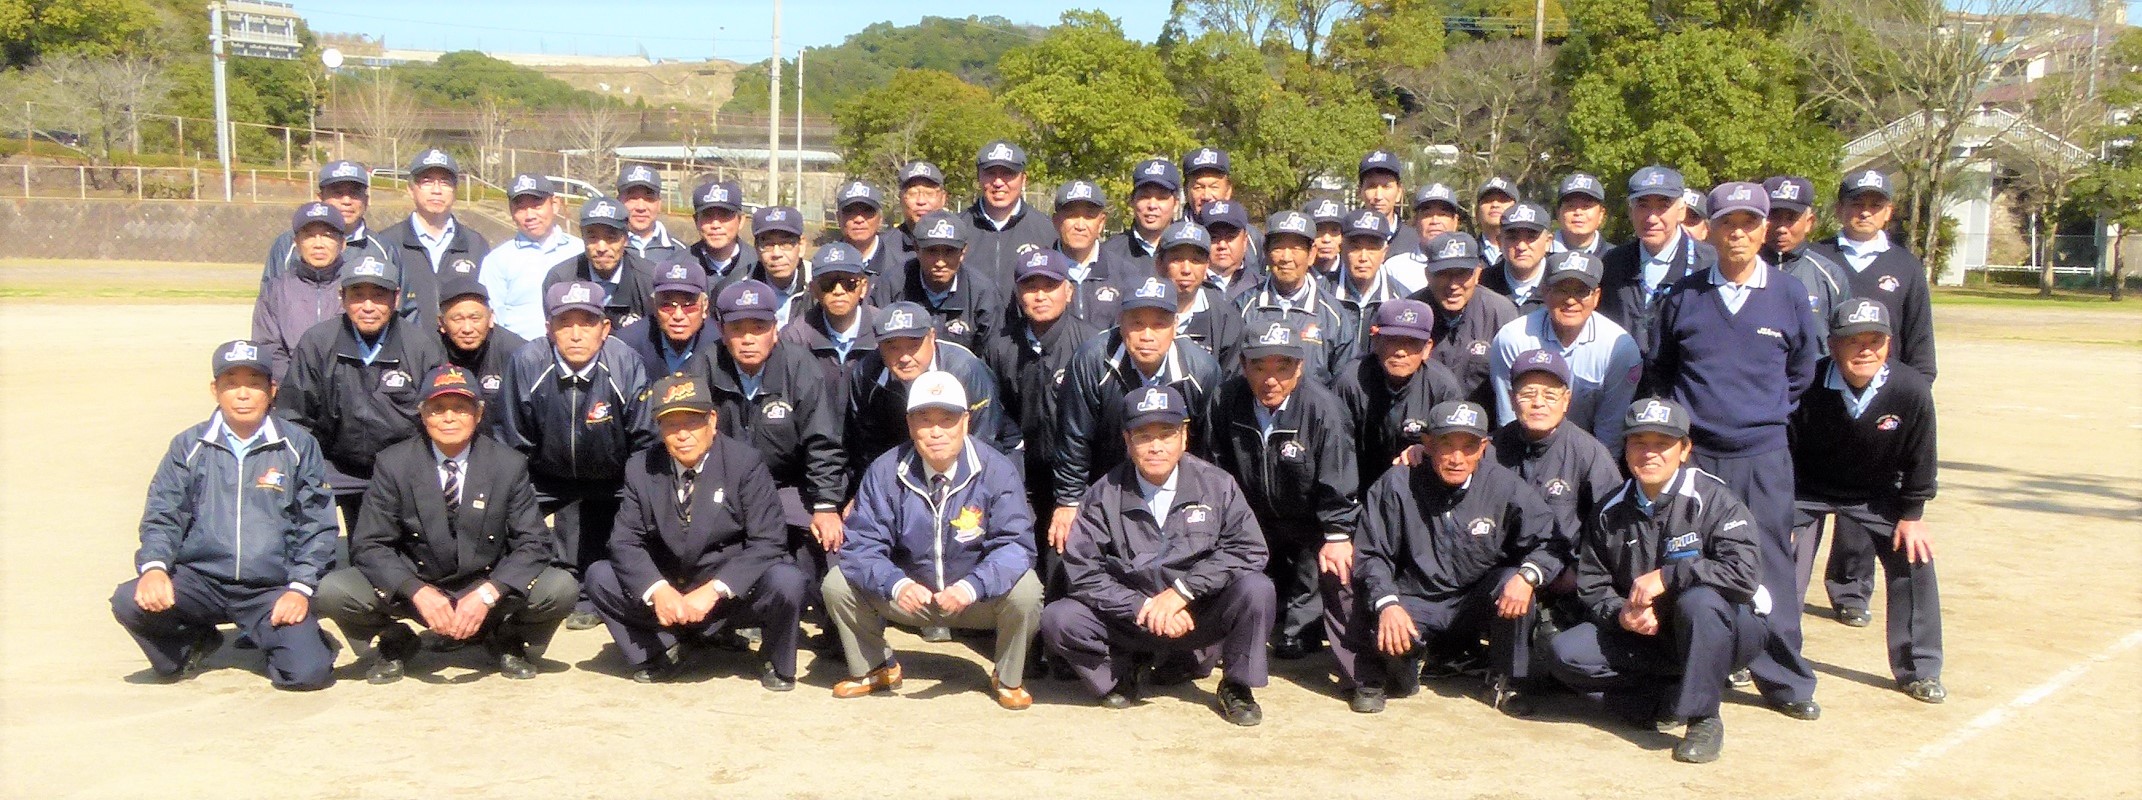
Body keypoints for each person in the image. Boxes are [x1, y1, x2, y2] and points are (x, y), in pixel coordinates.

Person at [1643, 182, 1823, 721]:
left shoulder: (1789, 294)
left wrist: (1756, 415)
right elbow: (1662, 370)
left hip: (1762, 453)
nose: (1738, 233)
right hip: (1696, 457)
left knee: (1769, 563)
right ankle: (1692, 668)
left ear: (1766, 229)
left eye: (1749, 223)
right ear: (1711, 229)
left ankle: (1784, 677)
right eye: (1727, 223)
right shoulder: (1684, 294)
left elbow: (1801, 372)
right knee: (1684, 558)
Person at [317, 365, 577, 683]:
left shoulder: (507, 464)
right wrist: (416, 591)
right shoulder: (394, 463)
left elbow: (534, 542)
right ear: (423, 415)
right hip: (416, 583)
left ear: (479, 414)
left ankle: (506, 637)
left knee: (560, 587)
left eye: (460, 408)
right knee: (333, 590)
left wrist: (489, 593)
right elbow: (369, 543)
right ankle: (395, 639)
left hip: (485, 582)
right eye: (438, 409)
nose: (449, 418)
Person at [1547, 398, 1767, 764]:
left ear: (1684, 450)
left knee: (1698, 602)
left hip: (1728, 631)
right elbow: (1593, 585)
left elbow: (1744, 574)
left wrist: (1669, 576)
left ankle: (1703, 719)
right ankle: (1665, 697)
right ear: (1625, 448)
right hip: (1649, 636)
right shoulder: (1607, 510)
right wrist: (1621, 615)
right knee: (1564, 653)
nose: (1649, 453)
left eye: (1662, 444)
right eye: (1639, 443)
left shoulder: (1715, 499)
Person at [1042, 386, 1275, 726]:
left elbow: (1249, 549)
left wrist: (1183, 592)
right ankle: (1120, 675)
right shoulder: (1103, 495)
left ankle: (1237, 685)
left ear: (1184, 436)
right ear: (1127, 440)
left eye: (1166, 435)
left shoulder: (1217, 485)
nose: (1155, 446)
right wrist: (1142, 607)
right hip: (1130, 618)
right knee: (1059, 618)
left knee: (1257, 589)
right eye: (1143, 436)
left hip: (1195, 614)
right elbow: (1084, 574)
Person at [110, 341, 337, 691]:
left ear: (271, 390)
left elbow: (317, 525)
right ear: (215, 390)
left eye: (254, 383)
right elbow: (163, 514)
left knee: (307, 673)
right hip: (201, 580)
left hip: (269, 587)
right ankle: (194, 641)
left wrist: (299, 588)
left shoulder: (298, 445)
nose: (243, 394)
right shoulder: (189, 445)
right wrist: (154, 567)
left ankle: (285, 639)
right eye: (231, 383)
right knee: (130, 600)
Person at [824, 371, 1044, 710]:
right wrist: (897, 585)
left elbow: (1016, 547)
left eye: (947, 419)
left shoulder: (997, 470)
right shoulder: (884, 471)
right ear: (910, 425)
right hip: (913, 596)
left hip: (975, 598)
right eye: (925, 421)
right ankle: (875, 667)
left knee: (1027, 590)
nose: (937, 431)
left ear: (966, 422)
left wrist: (971, 587)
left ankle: (1007, 676)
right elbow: (861, 547)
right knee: (838, 583)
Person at [583, 374, 807, 688]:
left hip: (729, 593)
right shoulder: (640, 467)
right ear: (659, 429)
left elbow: (768, 541)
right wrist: (657, 589)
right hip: (671, 586)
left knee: (786, 579)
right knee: (600, 576)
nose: (683, 434)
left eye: (693, 422)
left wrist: (716, 588)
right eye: (672, 425)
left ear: (712, 420)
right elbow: (624, 540)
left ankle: (774, 661)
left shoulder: (745, 463)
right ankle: (661, 650)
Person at [1349, 400, 1558, 715]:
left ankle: (1506, 680)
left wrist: (1530, 574)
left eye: (1469, 447)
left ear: (1484, 448)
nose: (1458, 459)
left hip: (1476, 601)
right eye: (1447, 446)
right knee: (1388, 647)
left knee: (1514, 582)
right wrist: (1387, 603)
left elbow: (1549, 539)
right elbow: (1372, 553)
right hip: (1416, 599)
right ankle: (1403, 668)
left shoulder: (1505, 486)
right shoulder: (1396, 484)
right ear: (1428, 444)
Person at [1788, 298, 1944, 703]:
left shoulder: (1910, 389)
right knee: (1771, 555)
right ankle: (1763, 655)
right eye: (1853, 341)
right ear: (1833, 344)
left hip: (1878, 496)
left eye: (1875, 340)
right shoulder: (1807, 384)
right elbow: (1784, 450)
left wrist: (1912, 514)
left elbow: (1921, 458)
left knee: (1916, 557)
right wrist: (1779, 514)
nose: (1865, 350)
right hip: (1808, 491)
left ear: (1888, 344)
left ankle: (1918, 668)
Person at [688, 280, 847, 636]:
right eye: (737, 329)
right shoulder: (705, 364)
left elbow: (822, 442)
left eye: (758, 328)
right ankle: (726, 621)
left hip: (789, 485)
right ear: (721, 330)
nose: (748, 339)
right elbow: (688, 439)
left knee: (828, 538)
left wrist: (825, 504)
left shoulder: (800, 365)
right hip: (724, 486)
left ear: (775, 329)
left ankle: (833, 627)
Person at [496, 280, 655, 629]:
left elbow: (643, 441)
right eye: (565, 323)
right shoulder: (526, 362)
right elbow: (512, 440)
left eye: (587, 322)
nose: (576, 333)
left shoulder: (627, 364)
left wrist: (634, 493)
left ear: (605, 328)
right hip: (545, 475)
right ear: (548, 329)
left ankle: (597, 596)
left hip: (611, 476)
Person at [1204, 324, 1361, 665]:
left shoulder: (1325, 409)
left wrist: (1336, 532)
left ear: (1300, 367)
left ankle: (1308, 635)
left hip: (1308, 518)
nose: (1270, 380)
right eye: (1259, 367)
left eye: (1282, 368)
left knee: (1329, 565)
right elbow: (1213, 468)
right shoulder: (1225, 399)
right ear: (1243, 366)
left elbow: (1338, 477)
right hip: (1250, 516)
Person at [1050, 275, 1224, 548]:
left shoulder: (1201, 370)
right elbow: (1074, 437)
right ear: (1121, 323)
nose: (1147, 336)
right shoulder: (1091, 360)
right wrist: (1069, 501)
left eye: (1159, 325)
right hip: (1105, 484)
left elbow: (1210, 448)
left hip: (1177, 489)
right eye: (1137, 323)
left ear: (1175, 325)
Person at [276, 255, 446, 523]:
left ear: (396, 298)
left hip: (402, 470)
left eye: (379, 296)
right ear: (342, 297)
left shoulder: (422, 347)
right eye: (358, 296)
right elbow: (295, 415)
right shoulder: (318, 342)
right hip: (335, 467)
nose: (368, 306)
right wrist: (307, 470)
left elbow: (437, 418)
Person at [982, 249, 1104, 590]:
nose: (1039, 295)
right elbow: (993, 414)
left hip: (1080, 473)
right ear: (1018, 294)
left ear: (1069, 290)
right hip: (1022, 472)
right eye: (1030, 286)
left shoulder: (1093, 344)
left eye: (1049, 286)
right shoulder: (1000, 345)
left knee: (1064, 555)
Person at [1488, 350, 1622, 626]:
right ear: (1513, 400)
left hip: (1564, 578)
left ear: (1566, 401)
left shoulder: (1589, 453)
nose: (1538, 403)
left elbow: (1614, 527)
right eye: (1527, 394)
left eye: (1550, 395)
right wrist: (1418, 452)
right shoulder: (1492, 448)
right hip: (1503, 572)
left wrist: (1579, 571)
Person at [842, 301, 1018, 486]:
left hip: (987, 458)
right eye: (892, 347)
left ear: (932, 336)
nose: (904, 357)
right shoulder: (866, 373)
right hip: (908, 461)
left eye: (913, 345)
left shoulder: (965, 369)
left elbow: (984, 437)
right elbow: (866, 444)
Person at [1488, 251, 1643, 445]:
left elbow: (1610, 432)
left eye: (1581, 291)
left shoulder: (1619, 349)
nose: (1570, 300)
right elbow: (1509, 419)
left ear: (1596, 297)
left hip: (1589, 453)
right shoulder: (1512, 338)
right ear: (1545, 291)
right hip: (1524, 448)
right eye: (1562, 289)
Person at [1809, 169, 1937, 381]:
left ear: (1888, 212)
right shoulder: (1813, 258)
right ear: (1839, 208)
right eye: (1857, 204)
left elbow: (1919, 339)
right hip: (1821, 387)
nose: (1865, 212)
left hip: (1886, 389)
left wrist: (1917, 389)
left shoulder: (1907, 266)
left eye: (1875, 205)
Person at [1332, 298, 1467, 486]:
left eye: (1412, 342)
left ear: (1427, 348)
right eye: (1393, 340)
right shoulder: (1350, 381)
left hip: (1421, 486)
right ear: (1376, 341)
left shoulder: (1442, 386)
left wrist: (1427, 449)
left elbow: (1456, 447)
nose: (1401, 352)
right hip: (1360, 485)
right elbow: (1336, 453)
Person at [1598, 166, 1718, 358]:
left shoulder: (1710, 264)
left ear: (1681, 211)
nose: (1651, 218)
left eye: (1663, 206)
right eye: (1642, 205)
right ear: (1630, 211)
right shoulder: (1611, 264)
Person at [1235, 210, 1356, 385]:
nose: (1286, 258)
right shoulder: (1243, 307)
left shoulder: (1333, 314)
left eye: (1295, 248)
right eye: (1278, 248)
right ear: (1266, 252)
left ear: (1312, 253)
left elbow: (1345, 381)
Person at [375, 149, 490, 331]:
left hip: (461, 356)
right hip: (406, 354)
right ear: (411, 189)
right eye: (427, 182)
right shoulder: (386, 243)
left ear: (455, 191)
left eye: (445, 183)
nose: (436, 190)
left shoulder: (476, 244)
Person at [1411, 232, 1520, 408]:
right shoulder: (1411, 312)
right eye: (1443, 273)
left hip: (1483, 428)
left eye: (1462, 273)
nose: (1453, 285)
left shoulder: (1500, 312)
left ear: (1477, 274)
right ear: (1428, 275)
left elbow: (1513, 384)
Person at [479, 173, 584, 341]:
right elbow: (492, 318)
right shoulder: (497, 260)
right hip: (520, 355)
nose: (529, 216)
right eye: (520, 208)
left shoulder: (580, 251)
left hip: (574, 351)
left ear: (555, 205)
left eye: (536, 205)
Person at [253, 202, 351, 381]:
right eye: (309, 236)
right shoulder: (275, 290)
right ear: (296, 243)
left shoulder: (357, 287)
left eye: (328, 236)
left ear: (342, 243)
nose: (318, 244)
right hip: (293, 391)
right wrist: (298, 385)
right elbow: (267, 345)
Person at [259, 159, 392, 288]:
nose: (346, 201)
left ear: (366, 200)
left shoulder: (383, 249)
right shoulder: (288, 244)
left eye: (354, 193)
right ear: (320, 198)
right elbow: (270, 299)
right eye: (337, 193)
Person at [1761, 176, 1852, 353]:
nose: (1781, 227)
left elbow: (1845, 340)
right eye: (1774, 216)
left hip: (1813, 379)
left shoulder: (1830, 276)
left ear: (1809, 222)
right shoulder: (1741, 270)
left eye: (1791, 218)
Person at [896, 210, 1004, 352]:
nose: (940, 262)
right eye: (931, 251)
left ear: (963, 251)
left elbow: (991, 356)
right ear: (916, 248)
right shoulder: (895, 284)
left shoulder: (983, 294)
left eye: (949, 251)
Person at [545, 198, 657, 329]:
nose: (601, 248)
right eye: (593, 237)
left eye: (611, 238)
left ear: (625, 239)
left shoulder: (649, 279)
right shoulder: (560, 280)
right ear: (583, 237)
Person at [781, 242, 881, 389]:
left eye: (849, 283)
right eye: (828, 283)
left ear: (863, 287)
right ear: (813, 289)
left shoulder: (884, 331)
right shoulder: (794, 338)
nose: (838, 291)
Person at [964, 139, 1057, 284]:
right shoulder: (959, 228)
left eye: (1008, 173)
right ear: (979, 177)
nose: (998, 183)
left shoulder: (1047, 231)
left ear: (1024, 179)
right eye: (990, 173)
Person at [1156, 220, 1246, 370]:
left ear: (1207, 267)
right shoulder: (1139, 312)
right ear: (1159, 264)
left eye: (1196, 260)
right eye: (1177, 259)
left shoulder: (1226, 320)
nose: (1186, 269)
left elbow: (1231, 384)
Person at [434, 278, 526, 423]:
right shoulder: (426, 351)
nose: (467, 329)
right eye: (457, 319)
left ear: (491, 318)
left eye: (475, 318)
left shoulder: (517, 353)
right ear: (441, 323)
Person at [614, 260, 716, 379]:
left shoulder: (721, 345)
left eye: (688, 306)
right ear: (653, 306)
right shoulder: (628, 344)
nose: (678, 316)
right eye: (667, 306)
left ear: (704, 307)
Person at [1051, 179, 1129, 324]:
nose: (1080, 226)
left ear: (1101, 223)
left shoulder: (1125, 274)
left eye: (1089, 216)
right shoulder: (1040, 275)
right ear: (1056, 221)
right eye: (1072, 215)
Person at [1329, 208, 1408, 347]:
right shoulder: (1321, 294)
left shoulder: (1402, 299)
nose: (1363, 258)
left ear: (1384, 252)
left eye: (1372, 249)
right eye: (1355, 248)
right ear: (1341, 248)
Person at [829, 180, 906, 307]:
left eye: (867, 211)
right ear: (838, 218)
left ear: (880, 218)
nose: (859, 219)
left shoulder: (901, 267)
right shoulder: (825, 265)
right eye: (850, 211)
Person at [1100, 158, 1181, 275]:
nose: (1152, 205)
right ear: (1132, 201)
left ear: (1176, 204)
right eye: (1144, 197)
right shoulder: (1108, 253)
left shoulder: (1190, 252)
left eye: (1161, 198)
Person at [1378, 183, 1463, 294]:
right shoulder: (1394, 268)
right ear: (1415, 220)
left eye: (1442, 214)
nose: (1434, 221)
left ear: (1455, 221)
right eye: (1427, 215)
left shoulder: (1467, 266)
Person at [742, 206, 815, 329]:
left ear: (801, 246)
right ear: (756, 249)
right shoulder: (739, 287)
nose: (776, 254)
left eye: (785, 244)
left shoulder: (821, 285)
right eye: (768, 245)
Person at [679, 178, 759, 285]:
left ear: (741, 220)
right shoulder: (678, 267)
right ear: (696, 221)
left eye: (724, 215)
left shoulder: (758, 266)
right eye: (707, 216)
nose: (715, 225)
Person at [1479, 201, 1554, 313]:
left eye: (1531, 237)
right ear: (1500, 243)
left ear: (1548, 242)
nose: (1521, 246)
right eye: (1513, 238)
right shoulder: (1483, 285)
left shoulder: (1562, 282)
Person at [1198, 200, 1265, 305]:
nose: (1222, 245)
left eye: (1230, 237)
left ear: (1245, 241)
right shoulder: (1187, 285)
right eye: (1214, 237)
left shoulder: (1262, 289)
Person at [617, 164, 685, 264]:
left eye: (649, 199)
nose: (641, 207)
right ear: (618, 202)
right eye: (632, 198)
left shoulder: (680, 252)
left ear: (659, 204)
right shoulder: (605, 252)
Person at [1358, 150, 1415, 255]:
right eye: (1372, 186)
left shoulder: (1415, 243)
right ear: (1360, 191)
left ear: (1399, 192)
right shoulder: (1346, 240)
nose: (1378, 196)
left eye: (1386, 186)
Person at [890, 160, 948, 258]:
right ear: (900, 198)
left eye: (929, 193)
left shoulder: (960, 243)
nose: (921, 201)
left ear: (943, 198)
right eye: (913, 193)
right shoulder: (884, 248)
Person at [1550, 172, 1613, 256]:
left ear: (1601, 214)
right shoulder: (1538, 255)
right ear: (1558, 213)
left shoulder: (1615, 257)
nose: (1578, 212)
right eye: (1571, 206)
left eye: (1586, 206)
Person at [1474, 177, 1520, 264]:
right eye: (1487, 201)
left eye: (1503, 200)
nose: (1495, 205)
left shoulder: (1527, 252)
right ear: (1477, 212)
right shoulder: (1467, 253)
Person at [1306, 197, 1347, 283]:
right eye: (1318, 230)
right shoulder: (1295, 272)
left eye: (1334, 230)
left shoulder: (1353, 274)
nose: (1326, 239)